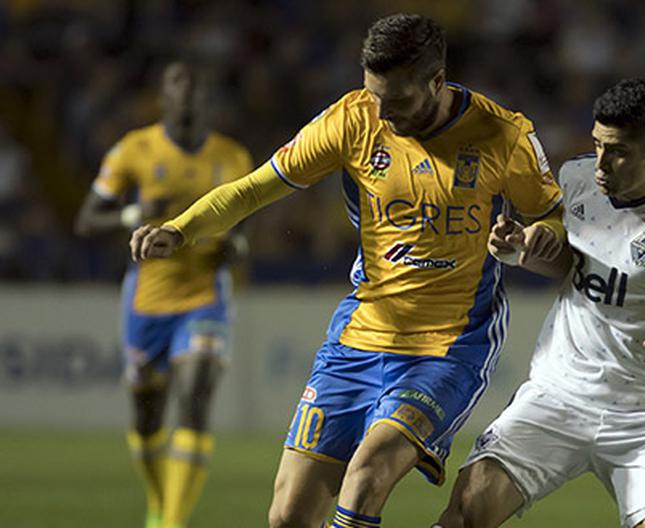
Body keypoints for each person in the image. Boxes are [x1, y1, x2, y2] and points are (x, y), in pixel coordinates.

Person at [129, 14, 565, 528]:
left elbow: (551, 212)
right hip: (358, 339)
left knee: (367, 476)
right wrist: (181, 229)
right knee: (289, 516)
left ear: (436, 82)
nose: (382, 112)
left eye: (397, 101)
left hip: (448, 345)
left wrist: (541, 237)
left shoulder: (502, 135)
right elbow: (254, 188)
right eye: (374, 95)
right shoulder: (352, 119)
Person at [435, 78, 645, 528]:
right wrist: (521, 250)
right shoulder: (578, 179)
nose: (601, 163)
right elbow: (573, 268)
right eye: (598, 144)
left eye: (617, 151)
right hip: (558, 393)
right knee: (463, 516)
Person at [75, 61, 254, 528]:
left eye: (199, 88)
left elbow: (243, 234)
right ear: (164, 97)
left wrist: (235, 249)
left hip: (204, 296)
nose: (190, 95)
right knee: (146, 417)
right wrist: (133, 212)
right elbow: (87, 219)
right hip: (146, 300)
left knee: (194, 398)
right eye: (180, 86)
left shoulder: (233, 157)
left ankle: (172, 522)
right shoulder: (135, 149)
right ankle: (158, 503)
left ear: (209, 100)